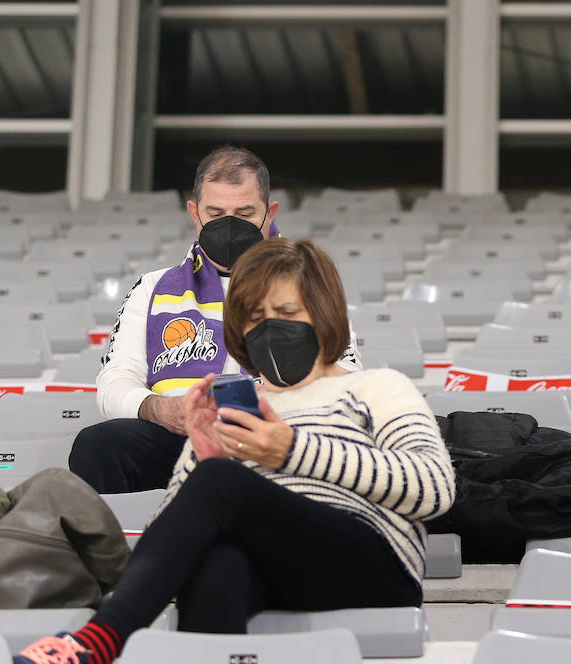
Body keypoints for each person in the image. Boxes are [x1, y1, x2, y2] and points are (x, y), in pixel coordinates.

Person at [13, 239, 454, 664]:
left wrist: (290, 451)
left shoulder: (376, 387)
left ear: (323, 315)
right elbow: (173, 538)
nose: (270, 329)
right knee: (215, 566)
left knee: (221, 480)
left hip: (371, 566)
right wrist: (197, 462)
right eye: (256, 318)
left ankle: (101, 640)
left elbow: (434, 489)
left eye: (286, 313)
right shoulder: (237, 408)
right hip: (277, 570)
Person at [69, 145, 360, 494]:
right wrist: (159, 408)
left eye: (244, 212)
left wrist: (275, 400)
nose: (229, 224)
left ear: (270, 213)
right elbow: (114, 381)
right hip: (178, 435)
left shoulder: (309, 282)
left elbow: (348, 374)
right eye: (216, 212)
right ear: (195, 213)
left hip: (272, 433)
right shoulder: (152, 287)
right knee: (98, 445)